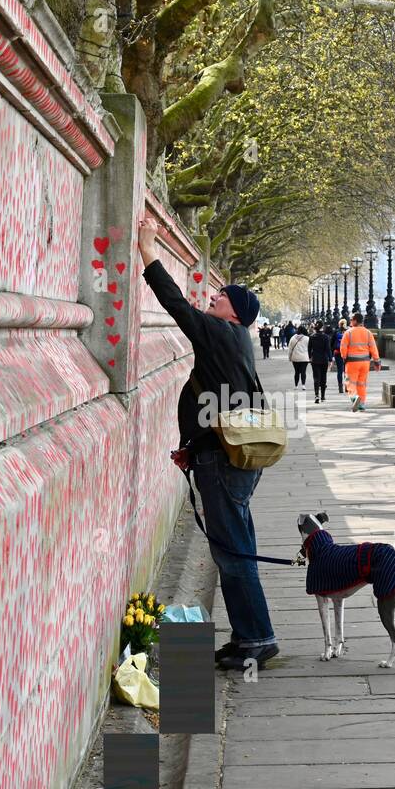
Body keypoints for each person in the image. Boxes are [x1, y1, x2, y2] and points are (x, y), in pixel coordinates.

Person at [137, 218, 279, 669]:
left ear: (235, 311)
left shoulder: (220, 333)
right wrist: (192, 447)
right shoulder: (235, 340)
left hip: (223, 464)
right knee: (235, 547)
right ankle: (248, 636)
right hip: (226, 459)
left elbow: (175, 304)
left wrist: (147, 249)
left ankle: (257, 639)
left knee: (233, 551)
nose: (214, 295)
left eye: (223, 296)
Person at [339, 313, 381, 411]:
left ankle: (354, 397)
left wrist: (344, 357)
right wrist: (377, 361)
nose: (350, 321)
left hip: (352, 362)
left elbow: (343, 347)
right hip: (365, 362)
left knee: (350, 382)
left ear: (355, 321)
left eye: (351, 319)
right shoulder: (368, 333)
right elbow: (373, 348)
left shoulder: (348, 333)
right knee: (361, 383)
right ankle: (361, 404)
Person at [308, 320, 332, 403]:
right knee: (323, 377)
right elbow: (328, 349)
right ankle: (323, 396)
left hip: (315, 359)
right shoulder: (326, 337)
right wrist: (330, 359)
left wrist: (310, 357)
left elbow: (309, 348)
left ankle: (316, 395)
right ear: (322, 327)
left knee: (316, 377)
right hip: (324, 359)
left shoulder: (312, 336)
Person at [287, 324, 310, 388]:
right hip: (304, 358)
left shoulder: (293, 338)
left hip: (295, 357)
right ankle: (303, 385)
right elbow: (310, 348)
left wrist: (289, 357)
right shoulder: (307, 339)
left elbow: (290, 349)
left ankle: (296, 385)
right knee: (303, 371)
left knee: (296, 372)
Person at [333, 318, 347, 394]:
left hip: (338, 353)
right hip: (347, 354)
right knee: (346, 371)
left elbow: (331, 343)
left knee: (339, 371)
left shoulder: (336, 332)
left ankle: (340, 388)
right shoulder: (348, 332)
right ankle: (347, 387)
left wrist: (333, 351)